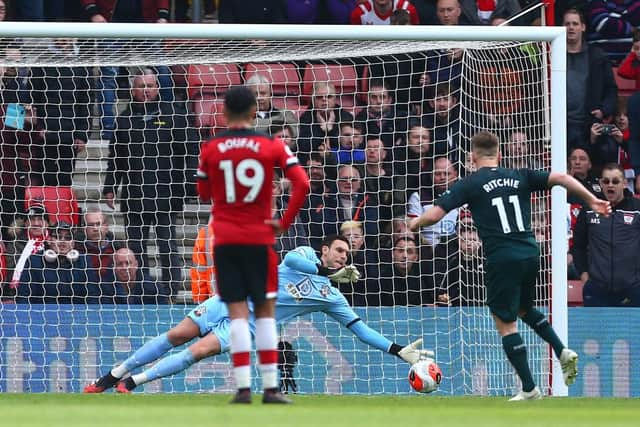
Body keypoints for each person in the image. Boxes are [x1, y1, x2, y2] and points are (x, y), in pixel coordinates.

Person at [83, 236, 433, 394]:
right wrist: (326, 272)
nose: (343, 256)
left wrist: (397, 349)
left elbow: (361, 329)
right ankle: (112, 376)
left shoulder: (332, 296)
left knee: (198, 352)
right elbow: (292, 262)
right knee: (178, 334)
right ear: (324, 249)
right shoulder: (304, 254)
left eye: (347, 253)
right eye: (338, 250)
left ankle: (134, 383)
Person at [409, 131, 612, 401]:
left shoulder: (469, 183)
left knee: (505, 323)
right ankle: (561, 349)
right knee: (524, 308)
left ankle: (529, 388)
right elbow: (562, 178)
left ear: (472, 157)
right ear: (500, 155)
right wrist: (591, 200)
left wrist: (414, 223)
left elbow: (435, 214)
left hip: (502, 257)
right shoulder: (519, 175)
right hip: (530, 251)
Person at [195, 85, 310, 404]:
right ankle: (271, 389)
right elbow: (303, 182)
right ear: (253, 111)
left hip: (227, 238)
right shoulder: (271, 144)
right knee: (265, 314)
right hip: (260, 239)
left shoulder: (211, 148)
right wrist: (283, 222)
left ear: (224, 112)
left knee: (236, 314)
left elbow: (203, 194)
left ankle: (243, 389)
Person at [572, 163, 640, 307]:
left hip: (632, 289)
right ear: (601, 183)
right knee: (594, 330)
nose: (610, 185)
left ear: (624, 183)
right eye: (606, 181)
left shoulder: (637, 209)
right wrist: (584, 275)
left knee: (632, 330)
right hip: (597, 289)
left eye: (615, 181)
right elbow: (578, 246)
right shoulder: (589, 209)